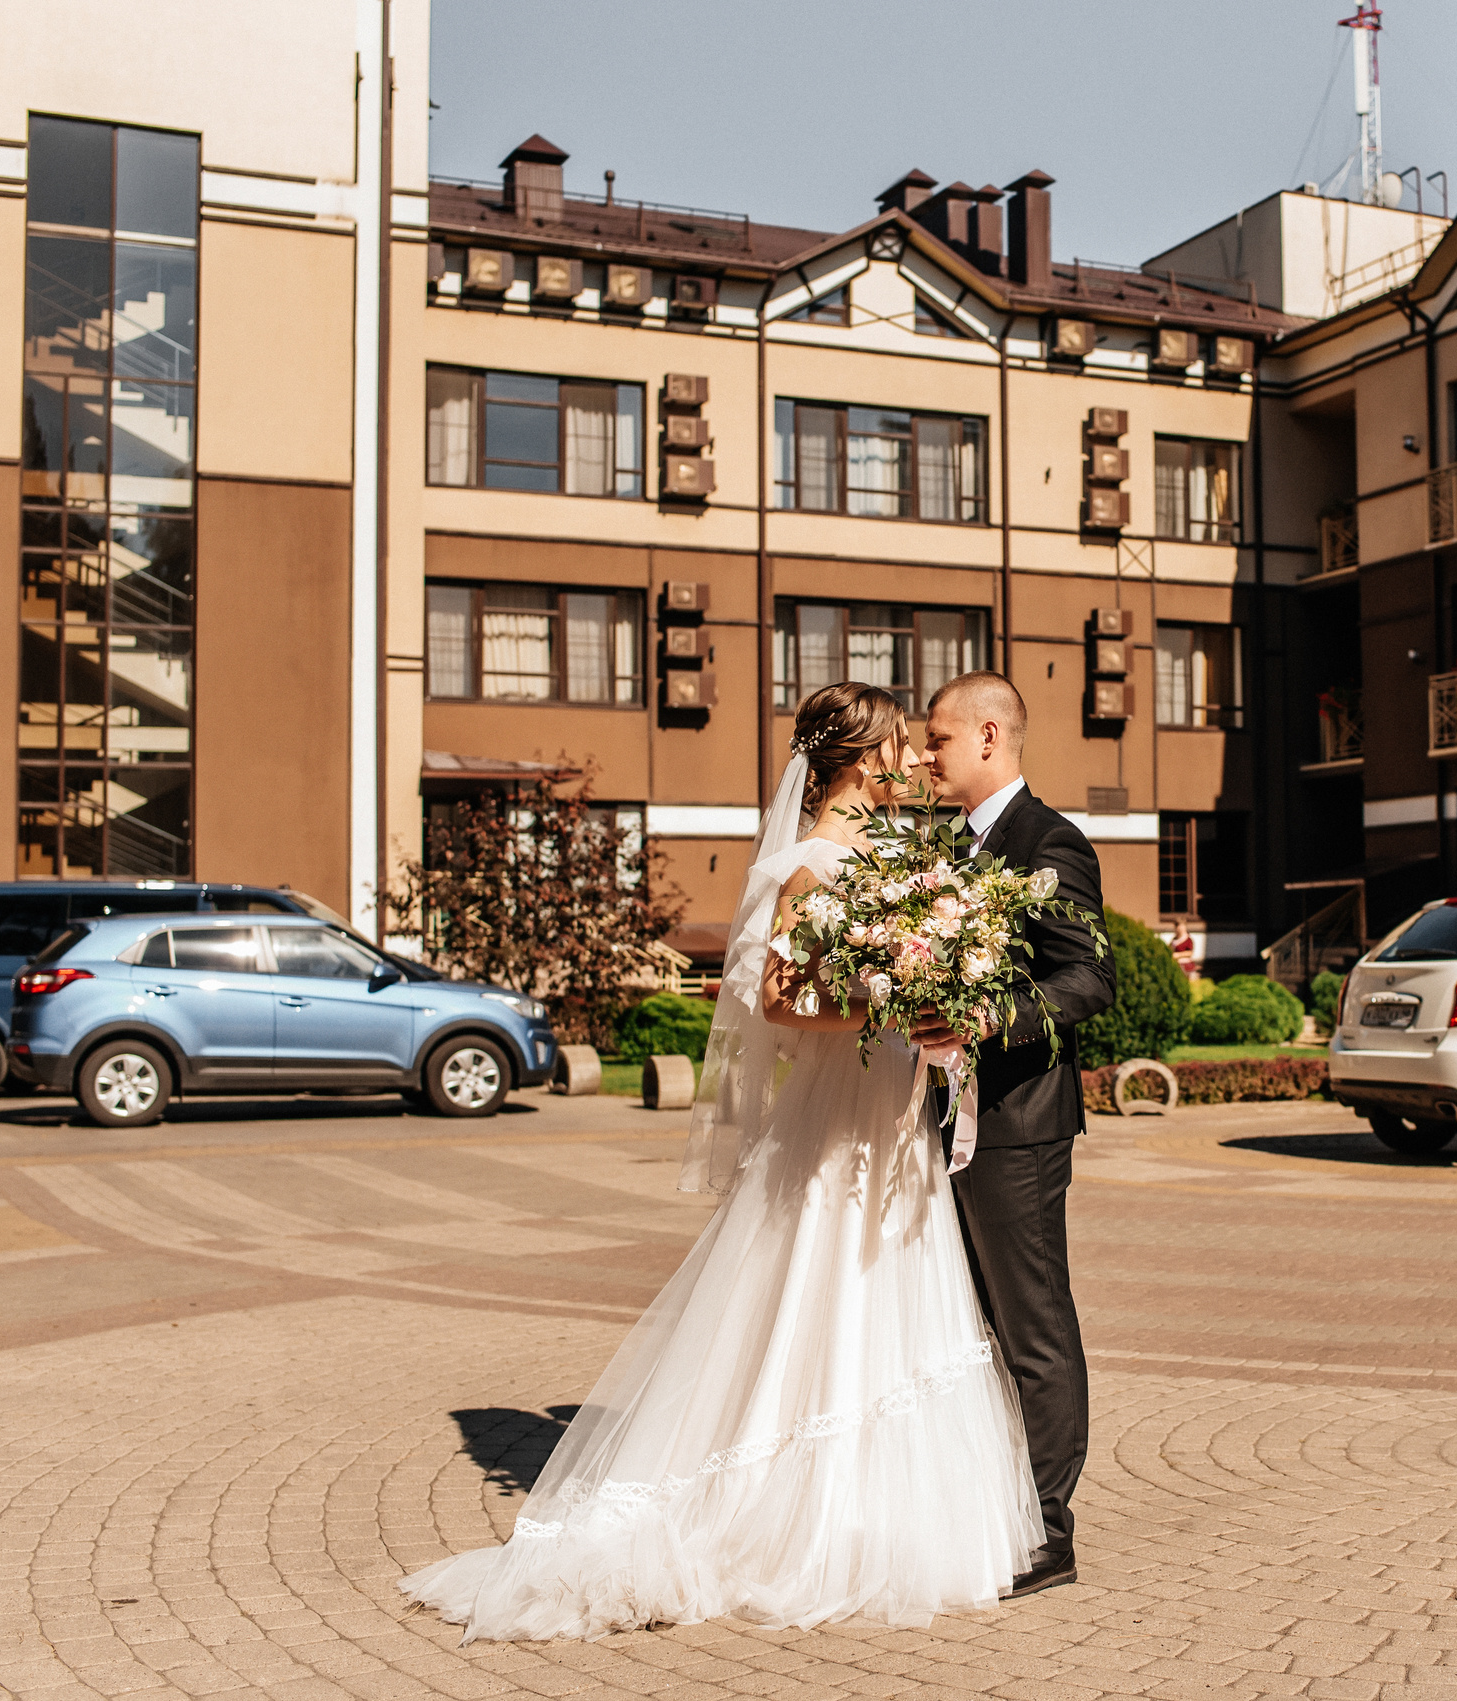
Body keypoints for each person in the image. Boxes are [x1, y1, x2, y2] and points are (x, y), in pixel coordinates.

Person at [400, 682, 1042, 1639]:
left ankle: (886, 1517)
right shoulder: (812, 864)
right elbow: (781, 1002)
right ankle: (795, 1517)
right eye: (900, 746)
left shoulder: (886, 860)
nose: (912, 762)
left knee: (894, 1300)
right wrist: (886, 999)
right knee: (821, 1299)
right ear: (863, 760)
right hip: (837, 1122)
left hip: (889, 1125)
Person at [913, 672, 1116, 1599]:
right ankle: (994, 1500)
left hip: (1019, 1124)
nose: (925, 756)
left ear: (989, 736)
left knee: (1033, 1325)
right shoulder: (944, 849)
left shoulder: (1052, 843)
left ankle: (1049, 1529)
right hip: (949, 1118)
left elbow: (1087, 980)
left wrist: (985, 1019)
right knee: (978, 1326)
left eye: (937, 741)